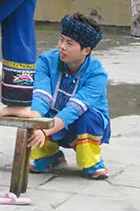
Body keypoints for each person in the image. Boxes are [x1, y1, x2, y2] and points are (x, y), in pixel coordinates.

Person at [28, 13, 111, 180]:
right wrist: (32, 121)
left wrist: (45, 131)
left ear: (86, 50)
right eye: (61, 40)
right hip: (51, 120)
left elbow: (74, 109)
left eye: (69, 43)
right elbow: (41, 96)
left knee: (88, 117)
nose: (62, 47)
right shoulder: (45, 61)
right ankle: (48, 156)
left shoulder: (97, 75)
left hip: (80, 124)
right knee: (31, 111)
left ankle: (91, 162)